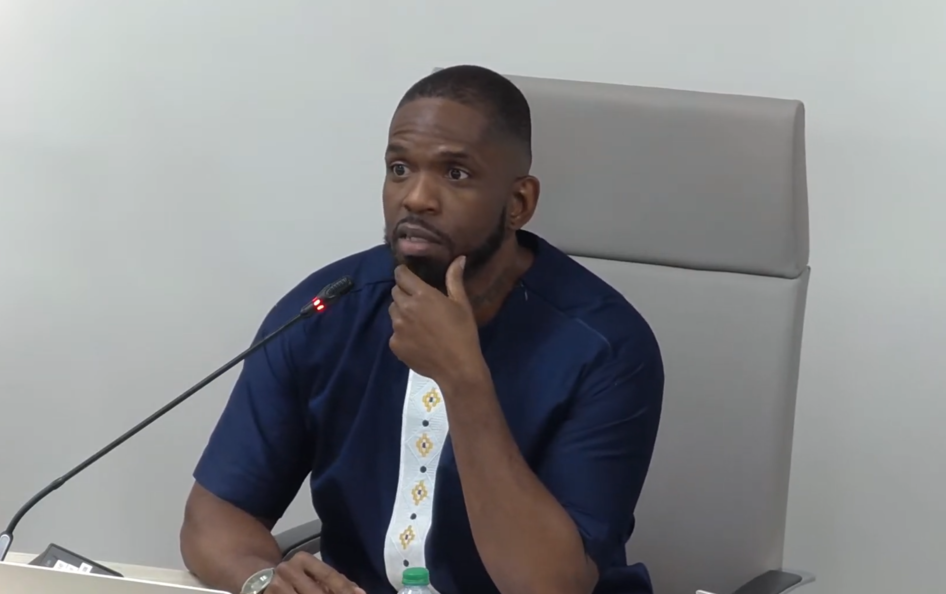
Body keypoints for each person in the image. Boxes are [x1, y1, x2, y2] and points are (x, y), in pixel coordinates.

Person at [180, 64, 664, 594]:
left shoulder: (605, 348)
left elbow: (549, 586)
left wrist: (463, 378)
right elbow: (213, 518)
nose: (415, 198)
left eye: (455, 174)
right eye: (400, 169)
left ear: (519, 203)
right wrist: (264, 579)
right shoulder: (325, 312)